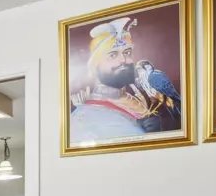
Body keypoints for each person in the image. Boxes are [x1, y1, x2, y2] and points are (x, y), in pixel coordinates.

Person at [69, 16, 181, 144]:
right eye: (113, 55)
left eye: (127, 53)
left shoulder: (137, 97)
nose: (123, 60)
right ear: (95, 65)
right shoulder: (85, 115)